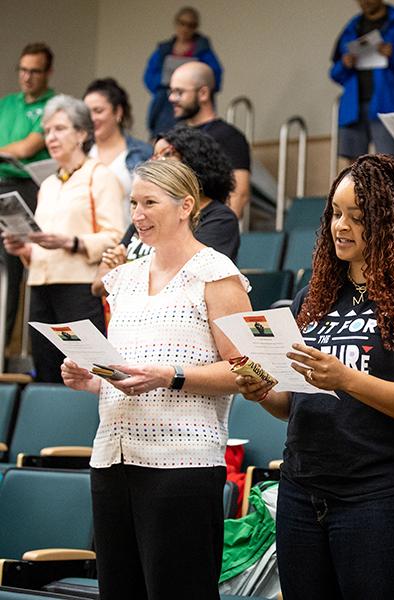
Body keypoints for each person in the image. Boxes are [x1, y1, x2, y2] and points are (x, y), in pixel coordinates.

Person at [236, 153, 394, 599]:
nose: (340, 226)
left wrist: (346, 379)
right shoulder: (315, 295)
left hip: (379, 498)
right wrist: (263, 391)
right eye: (336, 214)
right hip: (302, 491)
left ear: (389, 223)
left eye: (357, 217)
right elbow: (294, 403)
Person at [61, 159, 252, 599]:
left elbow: (248, 370)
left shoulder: (214, 273)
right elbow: (128, 373)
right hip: (112, 458)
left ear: (186, 205)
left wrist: (172, 376)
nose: (137, 215)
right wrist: (90, 378)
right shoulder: (122, 280)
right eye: (133, 203)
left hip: (181, 463)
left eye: (150, 202)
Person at [2, 95, 123, 383]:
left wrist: (71, 242)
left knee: (89, 372)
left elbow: (115, 237)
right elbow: (43, 242)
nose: (51, 137)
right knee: (46, 370)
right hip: (41, 285)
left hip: (79, 287)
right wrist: (24, 249)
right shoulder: (48, 184)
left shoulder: (99, 176)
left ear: (81, 133)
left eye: (59, 129)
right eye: (46, 131)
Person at [91, 125, 241, 296]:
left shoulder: (220, 218)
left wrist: (122, 268)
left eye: (167, 153)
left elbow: (185, 276)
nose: (158, 161)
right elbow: (99, 284)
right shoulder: (145, 216)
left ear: (196, 159)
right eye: (155, 155)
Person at [0, 42, 56, 341]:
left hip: (26, 188)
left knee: (12, 268)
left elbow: (26, 148)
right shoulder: (7, 104)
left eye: (35, 71)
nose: (27, 77)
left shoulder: (52, 104)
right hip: (0, 182)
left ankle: (5, 350)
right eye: (23, 70)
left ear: (48, 73)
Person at [331, 0, 394, 160]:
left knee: (390, 164)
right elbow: (334, 73)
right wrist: (345, 64)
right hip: (353, 108)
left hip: (389, 106)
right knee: (354, 168)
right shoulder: (351, 28)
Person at [170, 61, 250, 218]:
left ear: (203, 94)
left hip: (207, 231)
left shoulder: (230, 137)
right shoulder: (173, 135)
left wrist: (219, 231)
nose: (172, 98)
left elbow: (239, 195)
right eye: (171, 91)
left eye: (179, 92)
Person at [143, 6, 222, 138]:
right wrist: (167, 82)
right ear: (176, 23)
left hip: (193, 109)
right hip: (164, 109)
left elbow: (215, 79)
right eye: (182, 23)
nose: (185, 29)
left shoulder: (204, 51)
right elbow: (148, 77)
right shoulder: (163, 50)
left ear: (196, 27)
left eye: (190, 25)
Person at [84, 78, 152, 221]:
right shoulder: (81, 152)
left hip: (128, 236)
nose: (92, 118)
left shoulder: (142, 153)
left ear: (118, 112)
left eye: (98, 111)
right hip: (86, 239)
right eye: (87, 113)